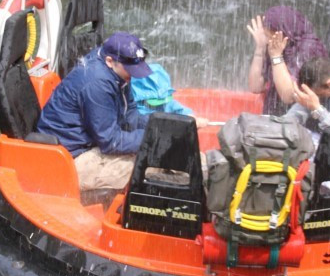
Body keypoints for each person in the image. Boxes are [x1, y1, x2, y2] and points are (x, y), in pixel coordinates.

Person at [36, 31, 151, 192]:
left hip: (91, 142)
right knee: (147, 170)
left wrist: (159, 125)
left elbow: (129, 115)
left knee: (151, 153)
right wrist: (151, 139)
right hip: (70, 157)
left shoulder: (118, 72)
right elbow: (110, 141)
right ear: (110, 61)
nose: (134, 75)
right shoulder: (98, 83)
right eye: (131, 70)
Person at [247, 6, 328, 116]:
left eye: (268, 35)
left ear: (284, 32)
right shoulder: (276, 45)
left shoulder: (308, 49)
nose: (268, 40)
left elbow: (288, 96)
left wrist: (276, 57)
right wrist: (260, 48)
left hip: (302, 121)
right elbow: (256, 87)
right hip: (274, 115)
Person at [131, 62, 207, 127]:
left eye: (162, 99)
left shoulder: (167, 103)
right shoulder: (134, 109)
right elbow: (145, 121)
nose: (161, 103)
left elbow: (180, 109)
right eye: (155, 100)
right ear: (140, 98)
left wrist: (192, 118)